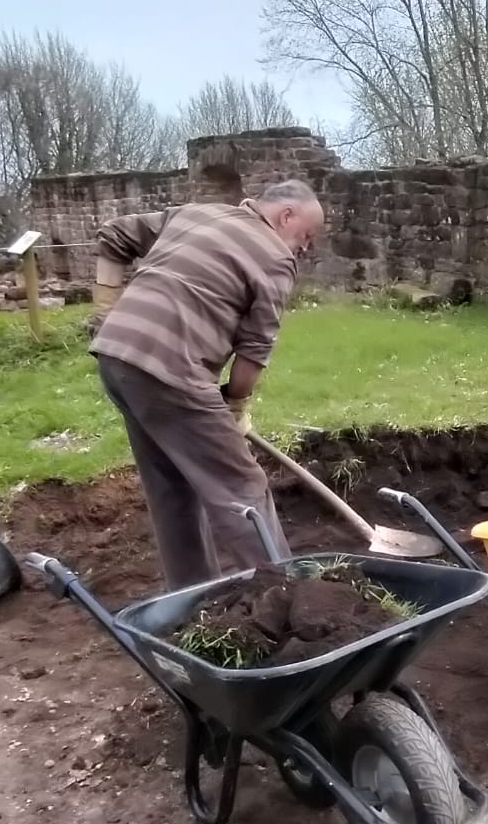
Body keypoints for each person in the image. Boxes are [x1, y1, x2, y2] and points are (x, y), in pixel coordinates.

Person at [87, 180, 326, 588]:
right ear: (286, 215)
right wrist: (236, 405)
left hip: (114, 358)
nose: (305, 248)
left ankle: (194, 596)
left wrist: (104, 313)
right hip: (171, 372)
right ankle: (287, 596)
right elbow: (254, 349)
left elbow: (113, 234)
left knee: (170, 485)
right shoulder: (275, 256)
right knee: (242, 487)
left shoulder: (197, 213)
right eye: (306, 236)